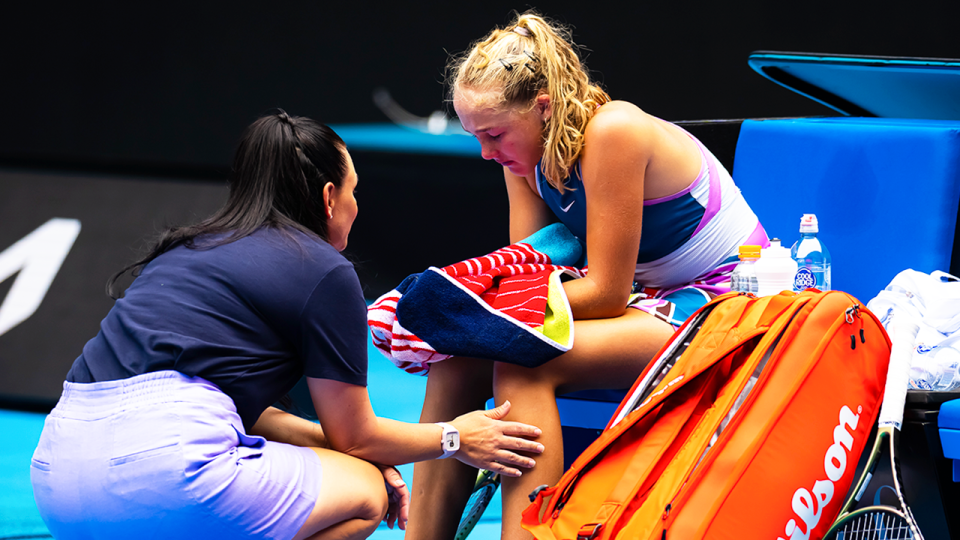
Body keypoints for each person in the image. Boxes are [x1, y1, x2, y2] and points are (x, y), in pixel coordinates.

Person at [29, 111, 544, 540]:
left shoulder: (182, 249)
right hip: (171, 479)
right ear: (327, 198)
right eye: (354, 191)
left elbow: (254, 417)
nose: (356, 206)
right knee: (366, 491)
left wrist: (330, 446)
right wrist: (456, 437)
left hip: (59, 485)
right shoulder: (325, 270)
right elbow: (358, 438)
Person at [404, 11, 769, 540]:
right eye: (476, 137)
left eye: (495, 133)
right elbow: (532, 271)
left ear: (543, 108)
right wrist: (471, 315)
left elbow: (605, 292)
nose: (487, 151)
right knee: (455, 363)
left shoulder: (614, 131)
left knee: (523, 363)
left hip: (723, 305)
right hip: (647, 300)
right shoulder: (521, 161)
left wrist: (479, 309)